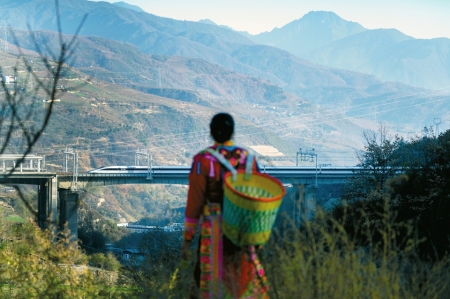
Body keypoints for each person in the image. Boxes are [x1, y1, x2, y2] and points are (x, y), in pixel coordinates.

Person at [181, 113, 269, 299]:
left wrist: (188, 237)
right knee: (242, 278)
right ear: (233, 132)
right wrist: (259, 233)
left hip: (213, 229)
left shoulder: (202, 160)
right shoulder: (249, 159)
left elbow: (195, 201)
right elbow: (258, 198)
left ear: (211, 132)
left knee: (208, 278)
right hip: (243, 228)